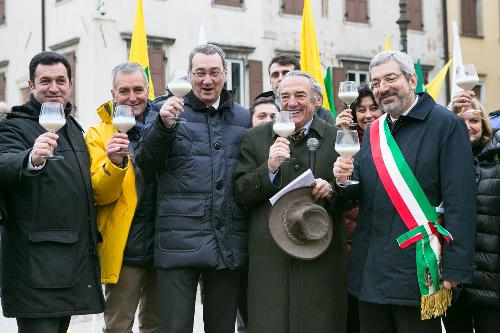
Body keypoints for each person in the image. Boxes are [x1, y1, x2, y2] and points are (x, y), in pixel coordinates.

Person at [333, 50, 476, 333]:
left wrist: (457, 267)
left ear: (412, 80)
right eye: (375, 83)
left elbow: (461, 200)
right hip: (370, 271)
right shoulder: (374, 132)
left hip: (417, 271)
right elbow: (355, 195)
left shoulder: (445, 124)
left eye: (390, 78)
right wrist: (341, 181)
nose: (382, 88)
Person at [136, 44, 250, 333]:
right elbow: (145, 162)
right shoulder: (165, 110)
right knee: (174, 328)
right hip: (178, 242)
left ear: (225, 75)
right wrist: (163, 126)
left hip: (227, 241)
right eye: (200, 73)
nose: (207, 80)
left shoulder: (243, 117)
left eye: (214, 72)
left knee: (222, 328)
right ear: (189, 75)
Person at [234, 70, 347, 333]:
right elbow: (240, 193)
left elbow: (353, 196)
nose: (292, 102)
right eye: (285, 96)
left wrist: (332, 190)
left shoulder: (335, 137)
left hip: (321, 256)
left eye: (300, 95)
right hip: (270, 259)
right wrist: (269, 169)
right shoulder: (255, 137)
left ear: (317, 100)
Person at [0, 51, 104, 332]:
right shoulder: (13, 127)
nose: (54, 88)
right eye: (45, 81)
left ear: (70, 84)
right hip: (36, 267)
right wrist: (30, 159)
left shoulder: (72, 127)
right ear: (31, 86)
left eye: (61, 80)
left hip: (72, 262)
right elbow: (3, 162)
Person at [85, 62, 158, 333]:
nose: (132, 97)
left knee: (157, 326)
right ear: (113, 94)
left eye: (138, 89)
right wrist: (114, 164)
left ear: (148, 90)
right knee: (117, 326)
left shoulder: (164, 125)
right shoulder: (98, 134)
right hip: (125, 246)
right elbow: (100, 194)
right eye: (123, 90)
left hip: (165, 242)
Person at [442, 98, 500, 333]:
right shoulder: (441, 162)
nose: (467, 126)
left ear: (484, 123)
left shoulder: (497, 161)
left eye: (474, 120)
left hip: (492, 281)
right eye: (459, 121)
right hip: (455, 281)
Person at [335, 84, 383, 333]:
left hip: (381, 238)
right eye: (361, 109)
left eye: (373, 108)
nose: (367, 115)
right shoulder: (347, 141)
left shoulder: (391, 139)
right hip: (350, 240)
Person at [256, 54, 335, 124]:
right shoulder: (257, 109)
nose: (280, 78)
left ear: (298, 76)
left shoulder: (322, 114)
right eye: (275, 75)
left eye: (286, 73)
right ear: (270, 82)